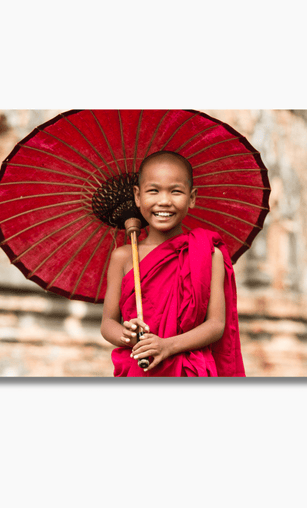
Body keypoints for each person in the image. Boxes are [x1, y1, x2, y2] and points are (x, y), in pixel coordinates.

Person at [100, 151, 246, 377]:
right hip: (140, 368)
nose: (164, 201)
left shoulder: (208, 254)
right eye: (153, 190)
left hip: (189, 371)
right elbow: (108, 323)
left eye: (176, 191)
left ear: (192, 197)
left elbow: (216, 325)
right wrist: (129, 336)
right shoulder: (124, 256)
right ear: (137, 196)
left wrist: (167, 346)